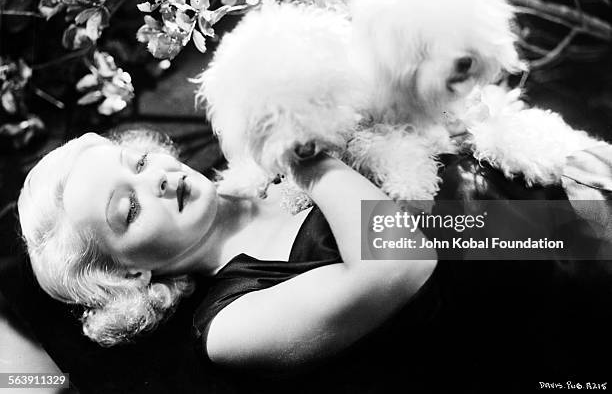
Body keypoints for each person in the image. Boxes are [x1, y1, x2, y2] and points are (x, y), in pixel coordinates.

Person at [17, 129, 437, 374]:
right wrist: (302, 158)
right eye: (129, 209)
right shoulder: (228, 325)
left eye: (140, 162)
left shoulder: (254, 162)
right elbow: (400, 265)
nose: (157, 181)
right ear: (129, 274)